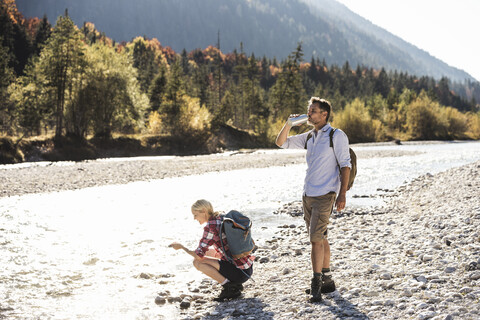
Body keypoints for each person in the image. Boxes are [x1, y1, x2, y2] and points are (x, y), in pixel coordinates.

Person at [275, 97, 351, 302]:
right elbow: (280, 143)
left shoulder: (337, 135)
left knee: (315, 240)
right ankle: (327, 280)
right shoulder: (309, 136)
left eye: (313, 111)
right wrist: (289, 124)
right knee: (321, 236)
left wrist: (342, 194)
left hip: (326, 194)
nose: (309, 114)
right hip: (308, 194)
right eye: (308, 110)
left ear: (324, 114)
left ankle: (316, 285)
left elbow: (346, 165)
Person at [169, 199, 254, 302]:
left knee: (197, 262)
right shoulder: (221, 217)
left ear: (204, 211)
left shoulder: (211, 226)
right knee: (208, 253)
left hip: (240, 273)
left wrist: (182, 247)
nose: (194, 218)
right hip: (246, 268)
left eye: (195, 215)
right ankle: (232, 285)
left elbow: (198, 255)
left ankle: (231, 288)